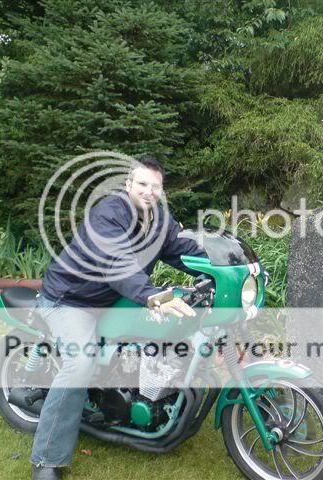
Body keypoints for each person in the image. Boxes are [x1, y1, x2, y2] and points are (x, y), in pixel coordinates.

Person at [31, 154, 206, 480]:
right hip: (72, 300)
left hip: (113, 299)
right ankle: (47, 460)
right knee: (80, 363)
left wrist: (221, 267)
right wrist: (152, 296)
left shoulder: (159, 221)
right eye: (142, 184)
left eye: (156, 186)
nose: (149, 191)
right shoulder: (108, 215)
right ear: (128, 185)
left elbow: (182, 250)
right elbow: (116, 263)